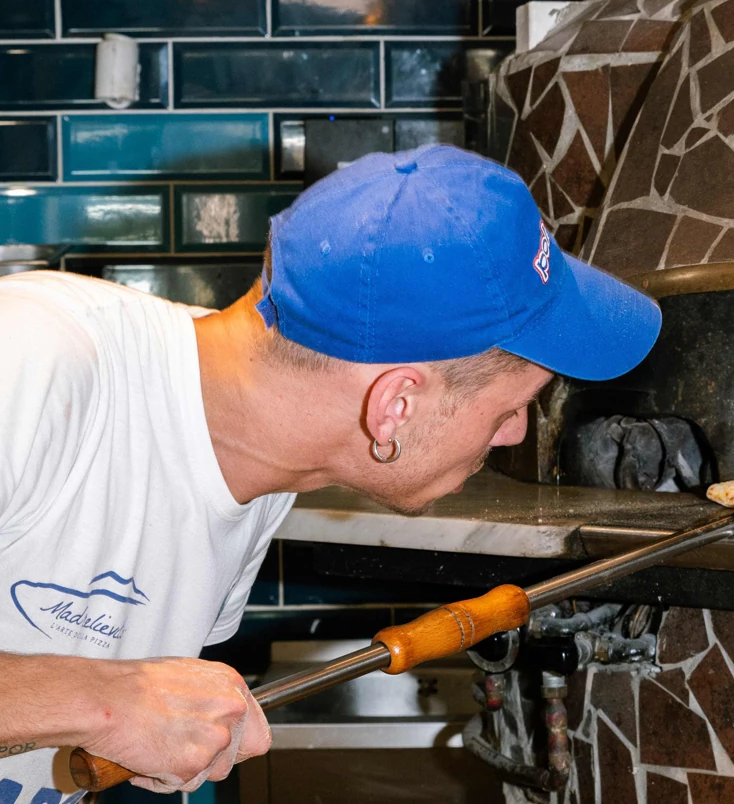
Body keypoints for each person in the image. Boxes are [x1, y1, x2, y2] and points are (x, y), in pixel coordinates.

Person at [0, 145, 661, 802]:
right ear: (395, 407)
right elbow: (104, 706)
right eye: (513, 406)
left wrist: (130, 717)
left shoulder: (259, 467)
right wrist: (108, 701)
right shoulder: (30, 358)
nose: (515, 431)